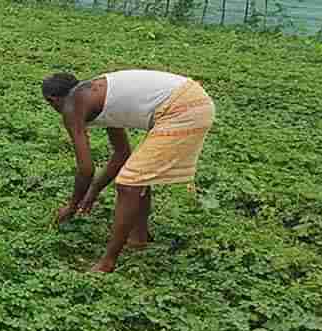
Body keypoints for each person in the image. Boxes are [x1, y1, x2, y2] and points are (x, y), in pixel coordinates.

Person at [42, 69, 215, 273]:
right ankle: (138, 238)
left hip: (182, 108)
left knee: (128, 183)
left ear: (53, 100)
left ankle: (107, 262)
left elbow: (86, 169)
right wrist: (93, 193)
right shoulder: (95, 96)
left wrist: (72, 206)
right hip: (193, 98)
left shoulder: (72, 105)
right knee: (139, 174)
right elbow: (121, 153)